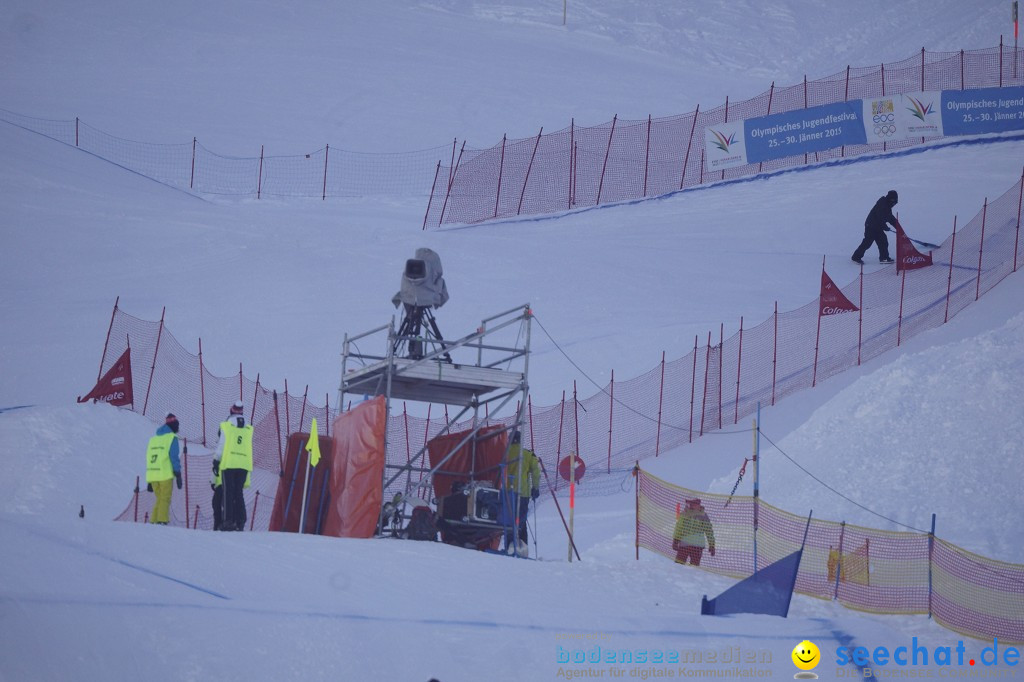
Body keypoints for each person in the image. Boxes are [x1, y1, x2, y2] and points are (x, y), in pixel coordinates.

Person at [214, 401, 253, 531]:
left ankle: (228, 521)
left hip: (229, 463)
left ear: (231, 411)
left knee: (228, 492)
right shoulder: (249, 426)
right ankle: (240, 521)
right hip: (244, 464)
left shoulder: (227, 425)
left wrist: (216, 460)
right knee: (238, 492)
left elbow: (222, 444)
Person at [502, 430, 541, 555]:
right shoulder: (527, 454)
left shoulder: (505, 454)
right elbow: (536, 472)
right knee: (521, 521)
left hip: (507, 493)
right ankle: (523, 548)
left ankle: (509, 547)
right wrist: (535, 488)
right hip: (523, 493)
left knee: (509, 521)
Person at [145, 413, 182, 525]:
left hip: (153, 474)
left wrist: (149, 478)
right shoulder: (172, 438)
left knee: (160, 498)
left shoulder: (153, 439)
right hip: (164, 473)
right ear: (174, 426)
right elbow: (174, 456)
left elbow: (149, 457)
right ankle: (162, 521)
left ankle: (153, 521)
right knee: (165, 498)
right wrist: (178, 472)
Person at [852, 190, 899, 265]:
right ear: (890, 199)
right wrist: (885, 227)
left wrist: (898, 228)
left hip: (877, 227)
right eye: (894, 202)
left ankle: (884, 258)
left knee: (883, 241)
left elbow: (890, 218)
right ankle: (856, 257)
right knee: (867, 242)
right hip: (871, 226)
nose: (894, 204)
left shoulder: (887, 206)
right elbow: (880, 217)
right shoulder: (882, 204)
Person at [672, 497, 716, 566]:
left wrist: (712, 545)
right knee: (678, 565)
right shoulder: (684, 514)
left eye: (694, 503)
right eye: (690, 503)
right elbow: (679, 528)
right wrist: (676, 540)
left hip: (697, 546)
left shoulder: (703, 515)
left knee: (694, 567)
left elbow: (709, 531)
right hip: (684, 544)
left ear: (698, 504)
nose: (691, 505)